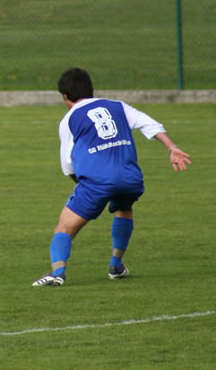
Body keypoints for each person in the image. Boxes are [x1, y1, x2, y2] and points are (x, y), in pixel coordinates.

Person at [33, 67, 191, 287]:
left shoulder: (69, 119)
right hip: (130, 178)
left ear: (65, 96)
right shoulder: (118, 106)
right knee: (124, 208)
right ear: (92, 90)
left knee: (64, 228)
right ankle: (116, 266)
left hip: (97, 182)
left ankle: (57, 273)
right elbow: (149, 124)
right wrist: (172, 148)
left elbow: (68, 165)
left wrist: (88, 187)